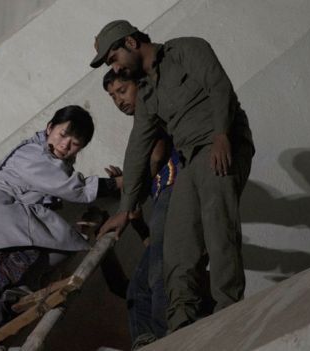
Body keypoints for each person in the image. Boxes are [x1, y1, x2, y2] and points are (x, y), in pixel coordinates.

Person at [91, 20, 254, 332]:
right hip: (189, 159)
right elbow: (138, 147)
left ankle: (229, 312)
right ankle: (181, 325)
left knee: (218, 227)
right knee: (176, 248)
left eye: (112, 58)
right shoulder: (148, 92)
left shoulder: (186, 49)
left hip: (221, 143)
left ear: (130, 43)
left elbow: (219, 86)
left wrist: (221, 135)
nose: (114, 66)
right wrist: (126, 210)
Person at [0, 105, 119, 351]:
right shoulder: (32, 154)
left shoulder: (48, 158)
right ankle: (22, 284)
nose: (65, 145)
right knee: (67, 240)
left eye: (75, 144)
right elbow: (74, 188)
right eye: (63, 135)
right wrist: (117, 184)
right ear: (49, 128)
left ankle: (19, 287)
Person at [103, 69, 179, 347]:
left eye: (122, 91)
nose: (118, 101)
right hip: (162, 199)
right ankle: (147, 340)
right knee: (138, 287)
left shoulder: (152, 115)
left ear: (139, 85)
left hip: (175, 192)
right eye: (112, 97)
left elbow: (155, 157)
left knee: (160, 275)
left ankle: (165, 337)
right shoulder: (143, 121)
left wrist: (130, 185)